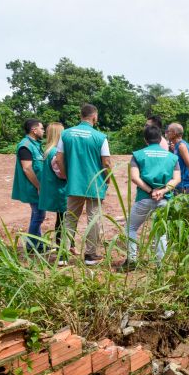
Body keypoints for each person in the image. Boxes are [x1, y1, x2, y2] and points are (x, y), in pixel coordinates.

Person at [56, 104, 111, 265]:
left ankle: (63, 255)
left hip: (74, 184)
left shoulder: (65, 134)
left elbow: (59, 159)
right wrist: (107, 179)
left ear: (81, 116)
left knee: (70, 219)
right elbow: (106, 162)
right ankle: (90, 255)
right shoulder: (100, 137)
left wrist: (68, 176)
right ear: (94, 117)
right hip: (95, 185)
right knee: (93, 219)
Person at [118, 125, 179, 272]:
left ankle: (131, 260)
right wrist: (162, 191)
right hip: (164, 200)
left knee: (131, 228)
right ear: (160, 139)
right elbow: (176, 179)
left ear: (145, 140)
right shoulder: (172, 157)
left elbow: (134, 177)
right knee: (161, 232)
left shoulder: (138, 155)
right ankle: (160, 265)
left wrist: (151, 190)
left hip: (144, 198)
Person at [12, 118, 46, 252]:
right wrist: (39, 186)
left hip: (36, 187)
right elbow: (27, 168)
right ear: (34, 130)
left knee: (36, 214)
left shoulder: (35, 144)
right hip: (33, 187)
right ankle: (32, 246)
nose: (43, 131)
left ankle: (39, 244)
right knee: (39, 216)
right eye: (42, 128)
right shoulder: (25, 146)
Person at [38, 122, 67, 257]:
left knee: (60, 220)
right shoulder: (56, 152)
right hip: (60, 192)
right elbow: (60, 173)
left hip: (54, 191)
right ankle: (63, 249)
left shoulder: (48, 151)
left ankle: (60, 246)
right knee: (64, 221)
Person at [165, 122, 189, 193]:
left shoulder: (181, 146)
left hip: (183, 186)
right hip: (180, 185)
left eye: (168, 131)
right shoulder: (177, 146)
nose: (167, 133)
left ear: (174, 133)